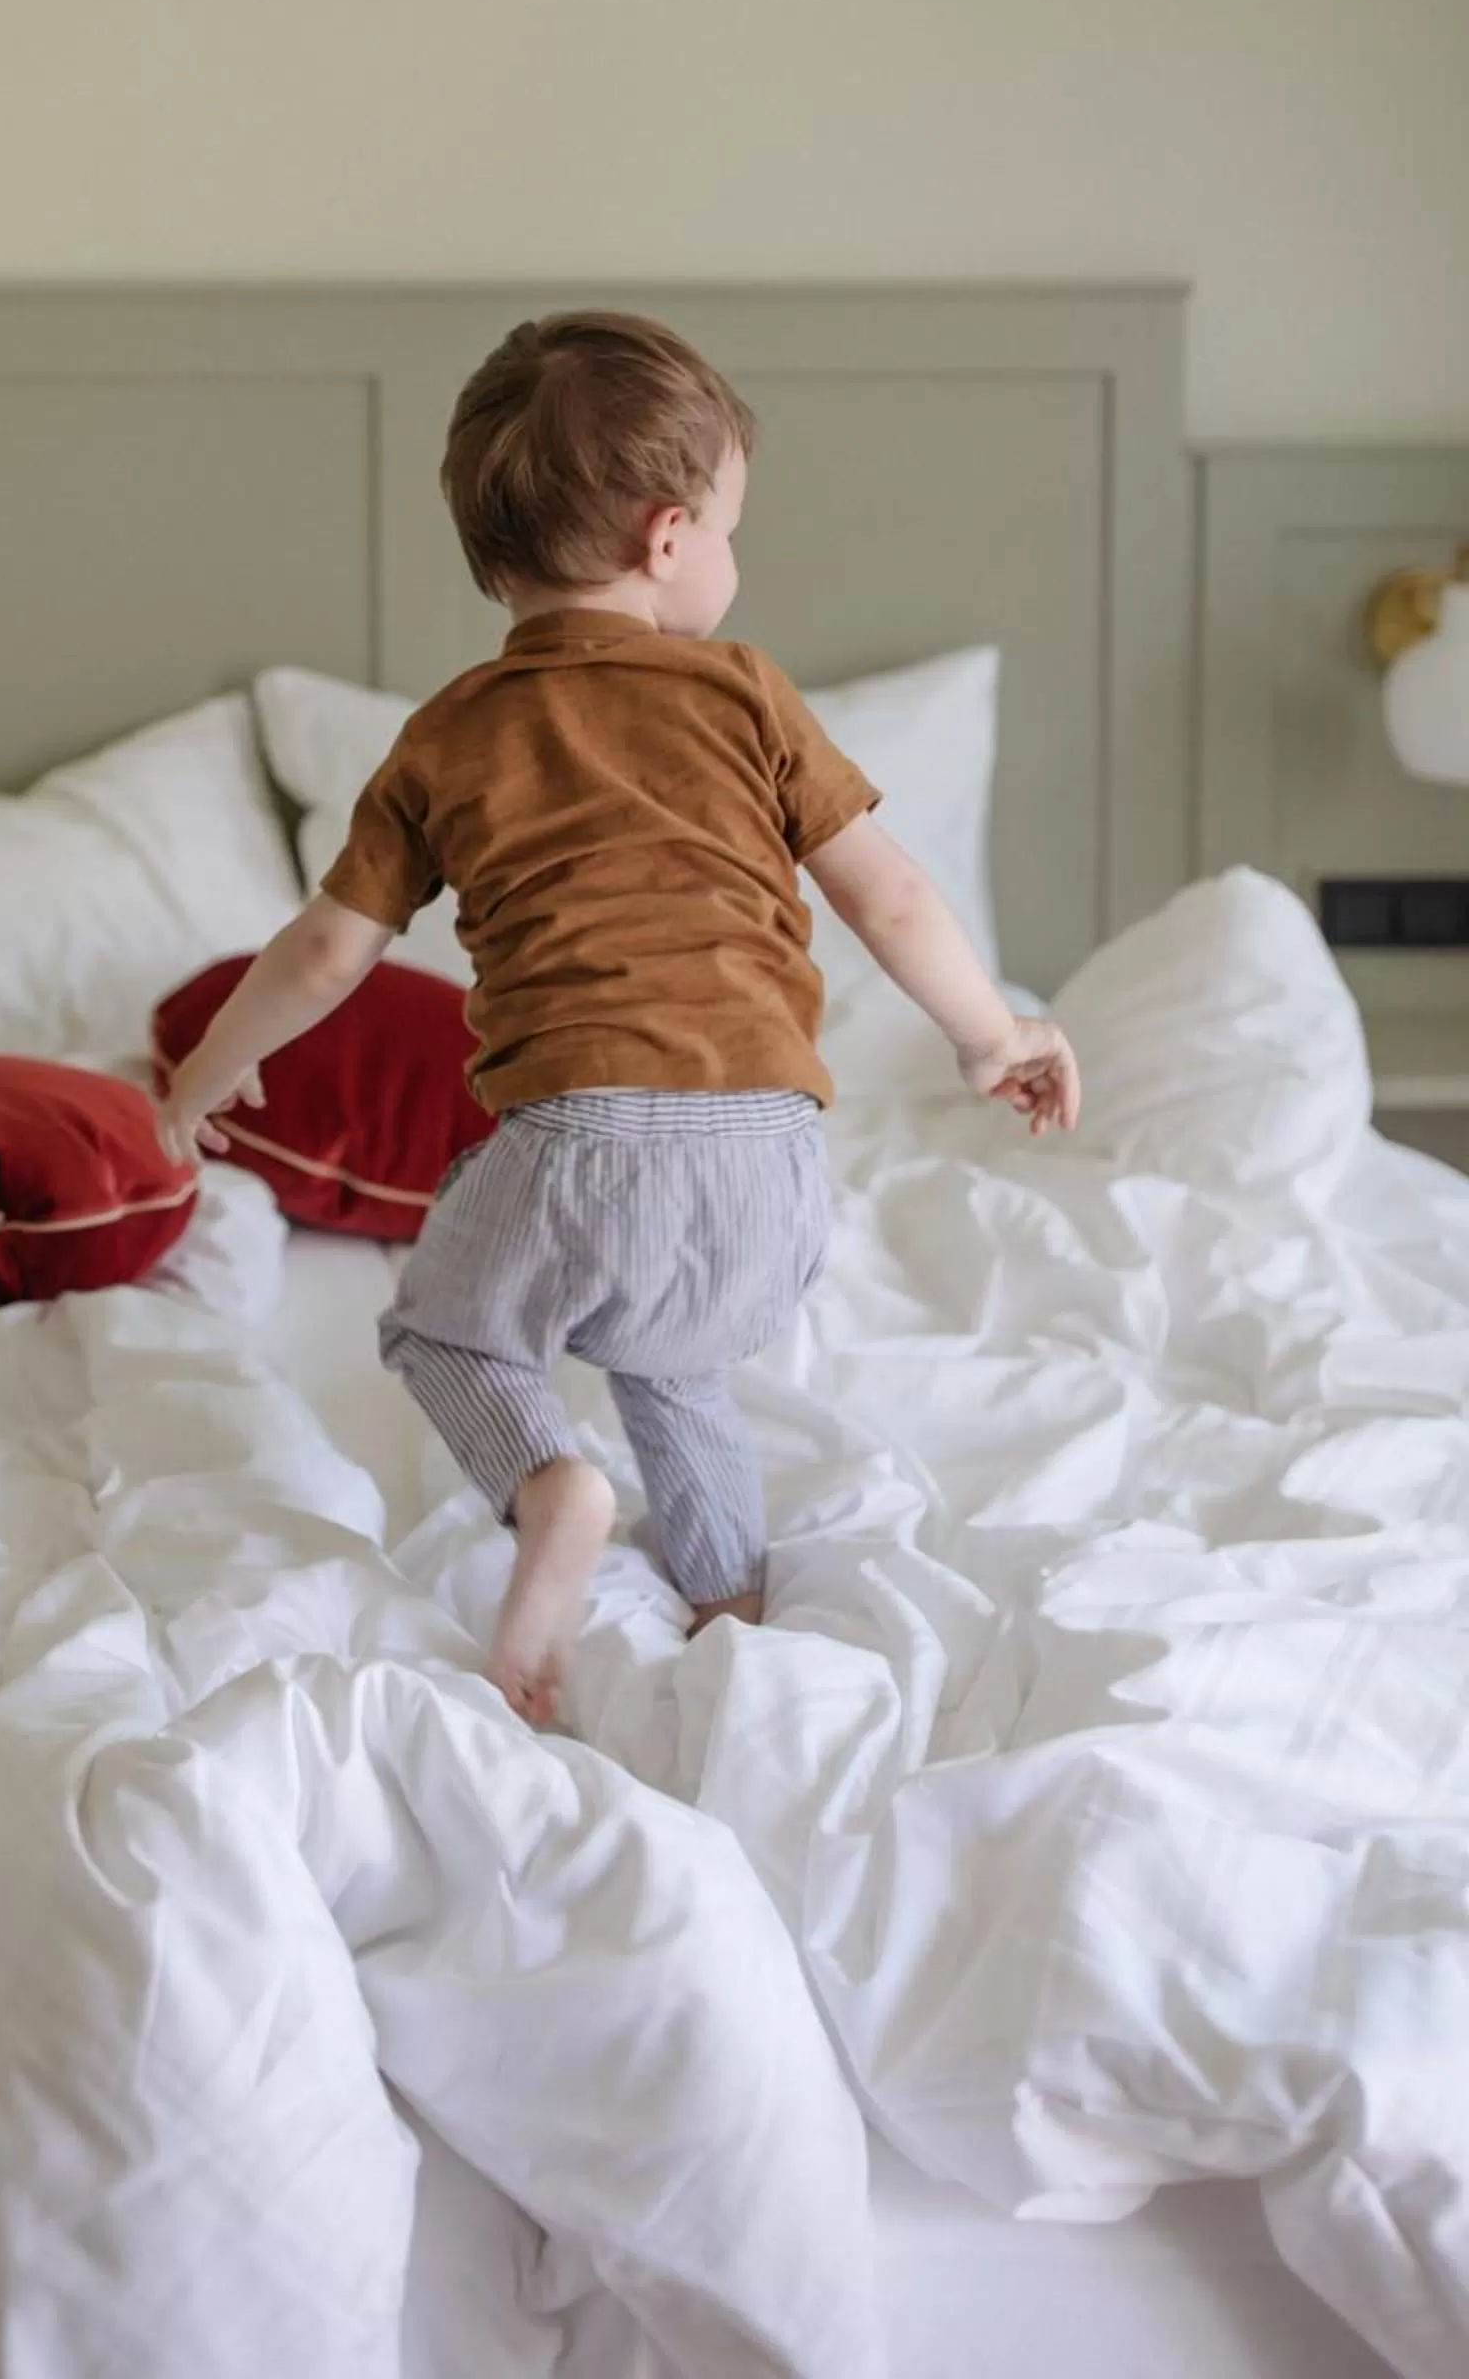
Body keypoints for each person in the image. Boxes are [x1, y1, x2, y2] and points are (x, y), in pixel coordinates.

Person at [158, 312, 1080, 1724]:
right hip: (775, 1161)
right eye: (728, 530)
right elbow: (889, 898)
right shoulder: (749, 695)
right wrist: (994, 1033)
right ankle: (728, 1599)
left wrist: (198, 1085)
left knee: (446, 1333)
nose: (728, 560)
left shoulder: (450, 734)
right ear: (664, 537)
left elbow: (327, 957)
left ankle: (549, 1485)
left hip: (580, 1141)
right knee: (675, 1357)